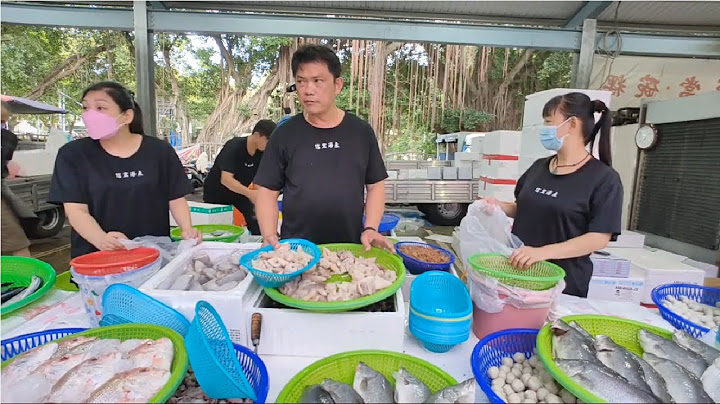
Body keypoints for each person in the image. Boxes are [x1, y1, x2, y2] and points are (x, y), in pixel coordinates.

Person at [253, 45, 394, 252]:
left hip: (351, 248)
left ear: (337, 85)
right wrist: (269, 235)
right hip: (298, 251)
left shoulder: (361, 132)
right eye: (301, 82)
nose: (308, 90)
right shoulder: (284, 134)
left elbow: (375, 186)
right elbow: (266, 191)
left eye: (317, 81)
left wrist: (371, 227)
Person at [487, 92, 623, 297]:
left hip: (562, 285)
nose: (545, 129)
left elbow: (598, 238)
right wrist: (497, 206)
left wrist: (542, 253)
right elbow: (525, 208)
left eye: (549, 122)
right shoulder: (538, 168)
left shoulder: (604, 179)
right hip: (518, 276)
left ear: (572, 124)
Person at [49, 81, 201, 258]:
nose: (90, 115)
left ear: (127, 116)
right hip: (97, 256)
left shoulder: (159, 151)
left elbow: (175, 197)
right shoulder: (72, 154)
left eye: (100, 108)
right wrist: (102, 240)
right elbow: (75, 210)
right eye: (85, 108)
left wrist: (187, 229)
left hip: (151, 252)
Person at [202, 120, 277, 235]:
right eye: (268, 141)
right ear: (257, 136)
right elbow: (226, 179)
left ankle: (264, 240)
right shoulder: (234, 146)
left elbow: (258, 179)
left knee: (255, 217)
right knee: (219, 228)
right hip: (217, 192)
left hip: (240, 192)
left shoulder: (262, 153)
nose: (270, 145)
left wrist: (262, 197)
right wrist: (250, 194)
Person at [1, 103, 33, 256]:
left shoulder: (6, 139)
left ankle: (27, 277)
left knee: (18, 243)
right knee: (18, 243)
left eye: (2, 122)